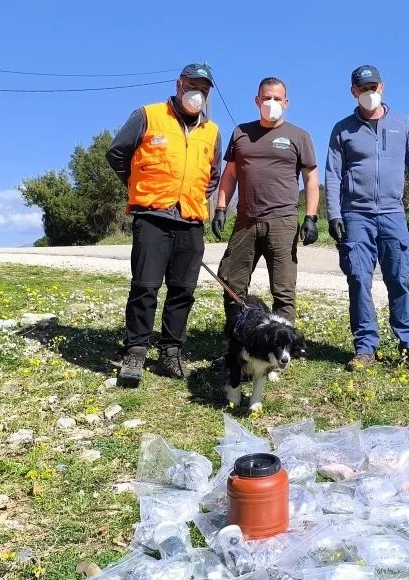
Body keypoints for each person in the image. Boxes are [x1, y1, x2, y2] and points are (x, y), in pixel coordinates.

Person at [105, 63, 222, 387]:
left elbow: (213, 174)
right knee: (145, 286)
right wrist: (138, 187)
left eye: (204, 89)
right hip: (152, 216)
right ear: (179, 84)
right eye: (193, 86)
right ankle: (135, 353)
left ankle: (171, 351)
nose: (197, 93)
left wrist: (195, 196)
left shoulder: (212, 131)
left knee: (183, 290)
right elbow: (116, 153)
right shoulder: (148, 115)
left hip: (191, 219)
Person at [325, 65, 409, 372]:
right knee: (359, 279)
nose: (369, 93)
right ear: (353, 92)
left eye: (373, 88)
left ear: (382, 88)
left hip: (393, 214)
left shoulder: (404, 124)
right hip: (355, 216)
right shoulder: (342, 129)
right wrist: (334, 214)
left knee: (399, 279)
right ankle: (365, 348)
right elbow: (332, 174)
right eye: (363, 89)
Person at [213, 77, 319, 335]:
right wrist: (221, 208)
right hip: (246, 221)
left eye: (277, 98)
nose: (271, 102)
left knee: (283, 290)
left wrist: (311, 217)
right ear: (257, 100)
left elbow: (311, 179)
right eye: (266, 98)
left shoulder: (299, 136)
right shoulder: (240, 133)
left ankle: (282, 345)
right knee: (232, 282)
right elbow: (230, 175)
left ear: (286, 102)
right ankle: (237, 339)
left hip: (282, 221)